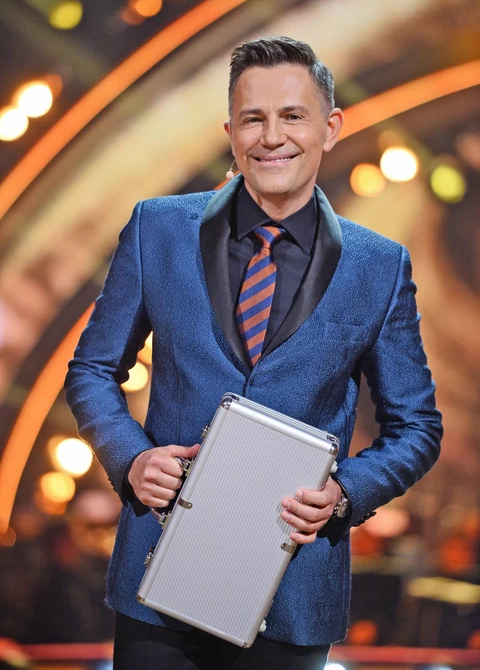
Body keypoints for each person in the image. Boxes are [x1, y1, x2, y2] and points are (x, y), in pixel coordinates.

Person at [64, 36, 443, 670]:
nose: (272, 137)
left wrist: (344, 493)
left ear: (330, 127)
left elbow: (417, 426)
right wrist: (131, 458)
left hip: (292, 591)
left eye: (292, 116)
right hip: (160, 577)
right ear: (230, 133)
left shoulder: (379, 266)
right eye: (252, 119)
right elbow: (93, 370)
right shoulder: (158, 228)